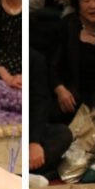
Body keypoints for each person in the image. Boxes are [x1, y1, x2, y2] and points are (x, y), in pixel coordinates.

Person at [29, 48, 72, 177]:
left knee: (63, 134)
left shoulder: (35, 58)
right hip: (6, 122)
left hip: (29, 127)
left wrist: (33, 142)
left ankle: (30, 172)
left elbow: (40, 102)